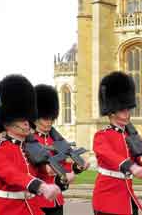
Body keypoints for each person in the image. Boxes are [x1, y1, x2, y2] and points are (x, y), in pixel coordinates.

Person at [92, 71, 142, 215]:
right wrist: (130, 166)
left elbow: (139, 159)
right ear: (112, 112)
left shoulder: (131, 136)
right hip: (107, 199)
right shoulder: (101, 136)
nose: (127, 114)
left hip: (127, 198)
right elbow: (109, 155)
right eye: (122, 110)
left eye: (128, 110)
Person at [0, 74, 61, 215]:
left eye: (28, 117)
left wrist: (60, 176)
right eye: (21, 118)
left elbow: (44, 173)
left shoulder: (30, 148)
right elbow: (13, 175)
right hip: (8, 210)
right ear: (7, 122)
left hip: (33, 208)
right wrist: (41, 187)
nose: (27, 122)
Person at [32, 84, 90, 215]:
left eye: (51, 119)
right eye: (45, 118)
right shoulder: (30, 141)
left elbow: (65, 164)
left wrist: (78, 167)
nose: (49, 123)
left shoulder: (55, 139)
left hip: (57, 199)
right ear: (35, 118)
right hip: (38, 200)